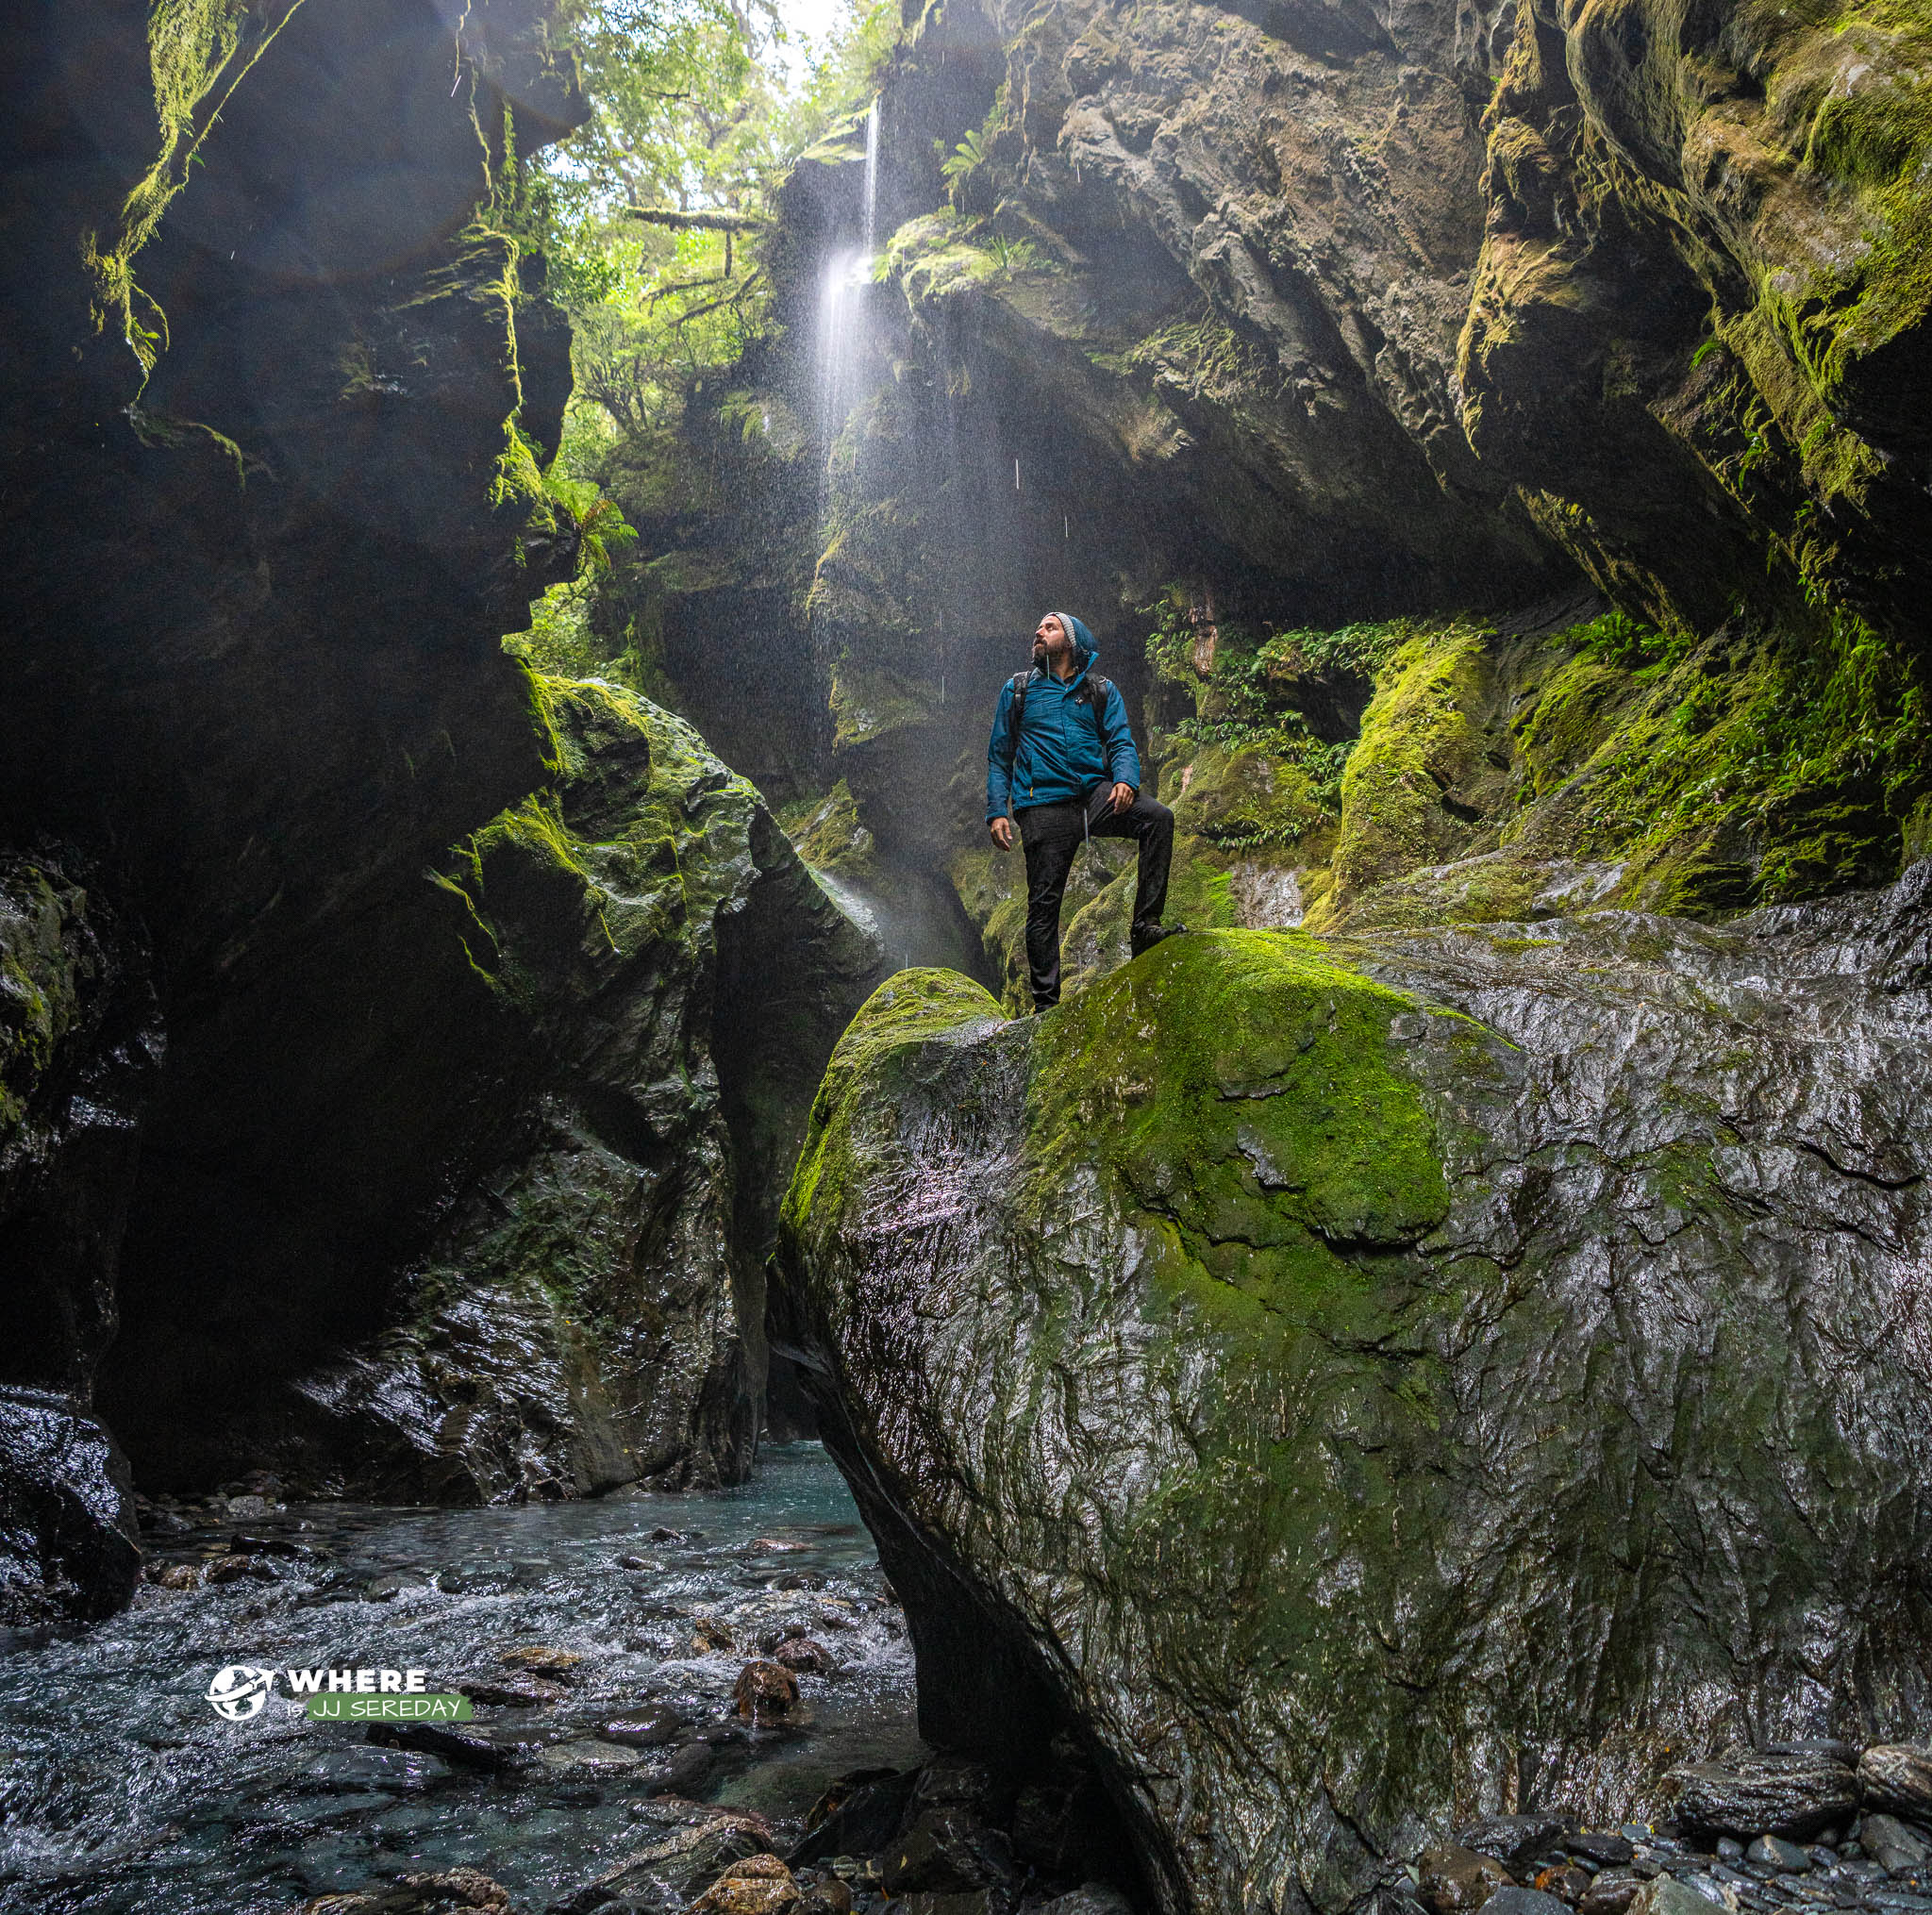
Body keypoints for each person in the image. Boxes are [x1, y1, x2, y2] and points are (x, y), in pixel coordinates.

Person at [986, 610, 1186, 1012]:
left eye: (1050, 627)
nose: (1038, 631)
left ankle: (1145, 928)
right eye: (1038, 627)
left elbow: (1121, 741)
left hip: (1094, 798)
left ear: (1073, 642)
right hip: (1041, 804)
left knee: (1158, 818)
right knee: (1044, 907)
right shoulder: (1018, 690)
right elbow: (999, 757)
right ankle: (1046, 1007)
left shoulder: (1100, 690)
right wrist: (997, 810)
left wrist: (1126, 779)